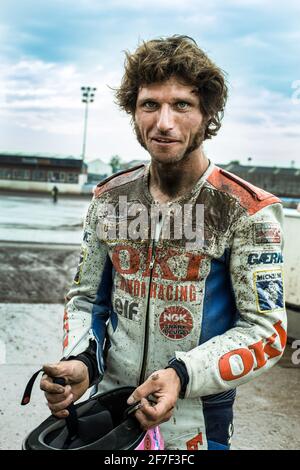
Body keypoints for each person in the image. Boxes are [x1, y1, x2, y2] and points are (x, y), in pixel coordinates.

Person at [40, 35, 287, 450]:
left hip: (197, 418)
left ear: (208, 113)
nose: (164, 122)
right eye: (150, 104)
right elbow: (85, 300)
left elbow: (267, 329)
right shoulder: (108, 200)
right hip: (110, 408)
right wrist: (81, 361)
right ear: (134, 112)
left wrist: (181, 374)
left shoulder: (247, 210)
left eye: (182, 105)